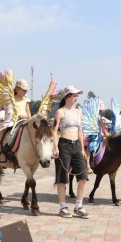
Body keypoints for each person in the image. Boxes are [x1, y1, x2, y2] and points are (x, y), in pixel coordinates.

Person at [53, 85, 89, 219]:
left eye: (77, 96)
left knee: (83, 177)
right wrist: (55, 147)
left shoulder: (78, 111)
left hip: (76, 147)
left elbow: (80, 131)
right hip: (64, 146)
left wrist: (82, 149)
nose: (76, 98)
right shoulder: (60, 112)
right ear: (67, 96)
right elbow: (54, 131)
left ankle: (79, 206)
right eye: (74, 95)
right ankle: (63, 207)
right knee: (62, 178)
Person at [0, 79, 31, 156]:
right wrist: (17, 116)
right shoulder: (11, 99)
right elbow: (8, 111)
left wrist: (28, 117)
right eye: (24, 90)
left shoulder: (26, 100)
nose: (25, 92)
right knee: (3, 129)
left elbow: (28, 112)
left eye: (26, 90)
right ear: (17, 89)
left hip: (25, 119)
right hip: (13, 119)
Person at [85, 100, 109, 174]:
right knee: (89, 148)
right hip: (90, 134)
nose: (100, 111)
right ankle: (87, 165)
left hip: (98, 135)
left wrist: (108, 135)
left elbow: (103, 128)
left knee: (106, 144)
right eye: (99, 110)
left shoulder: (99, 117)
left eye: (100, 110)